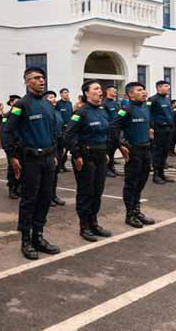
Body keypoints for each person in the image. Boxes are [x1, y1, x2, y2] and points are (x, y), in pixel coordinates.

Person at [3, 68, 61, 260]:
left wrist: (53, 153)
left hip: (47, 159)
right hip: (30, 160)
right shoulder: (21, 105)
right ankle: (26, 240)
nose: (41, 80)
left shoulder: (47, 105)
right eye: (36, 78)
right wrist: (13, 157)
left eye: (43, 78)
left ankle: (39, 236)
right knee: (29, 200)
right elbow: (7, 131)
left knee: (45, 198)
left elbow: (53, 131)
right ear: (27, 82)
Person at [63, 81, 114, 242]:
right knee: (86, 192)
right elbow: (68, 135)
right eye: (96, 89)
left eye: (101, 89)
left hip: (100, 155)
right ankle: (84, 226)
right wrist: (76, 155)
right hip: (85, 156)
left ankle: (94, 222)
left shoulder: (103, 111)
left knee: (97, 191)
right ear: (87, 93)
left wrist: (105, 152)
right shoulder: (81, 112)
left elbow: (105, 134)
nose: (100, 91)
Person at [111, 82, 156, 229]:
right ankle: (130, 214)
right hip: (134, 151)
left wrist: (149, 131)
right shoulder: (126, 110)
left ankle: (137, 211)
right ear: (130, 94)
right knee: (132, 184)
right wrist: (121, 145)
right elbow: (114, 127)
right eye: (139, 90)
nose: (144, 92)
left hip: (146, 149)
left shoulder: (145, 108)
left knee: (141, 182)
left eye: (144, 89)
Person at [148, 80, 175, 185]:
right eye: (166, 86)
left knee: (164, 152)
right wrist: (150, 127)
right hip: (159, 129)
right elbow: (148, 114)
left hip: (168, 129)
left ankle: (162, 173)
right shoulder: (153, 100)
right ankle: (156, 175)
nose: (168, 88)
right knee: (158, 152)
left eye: (168, 86)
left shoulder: (167, 100)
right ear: (159, 88)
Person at [44, 90, 66, 207]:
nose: (54, 100)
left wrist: (62, 146)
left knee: (55, 173)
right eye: (51, 97)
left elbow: (61, 129)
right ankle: (47, 198)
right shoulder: (44, 113)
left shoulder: (57, 112)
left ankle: (53, 195)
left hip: (57, 145)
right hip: (49, 146)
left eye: (54, 97)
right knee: (48, 174)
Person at [3, 95, 21, 199]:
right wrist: (8, 148)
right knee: (12, 168)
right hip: (11, 147)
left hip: (21, 146)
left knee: (22, 168)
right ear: (11, 103)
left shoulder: (21, 115)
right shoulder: (7, 116)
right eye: (16, 102)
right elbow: (4, 133)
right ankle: (12, 188)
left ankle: (19, 187)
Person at [103, 85, 121, 177]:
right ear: (108, 91)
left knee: (113, 150)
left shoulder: (116, 103)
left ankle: (112, 167)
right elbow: (104, 118)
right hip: (109, 131)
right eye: (113, 91)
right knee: (108, 151)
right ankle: (106, 169)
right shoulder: (104, 103)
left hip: (116, 130)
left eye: (115, 91)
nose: (115, 92)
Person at [55, 88, 73, 172]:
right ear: (61, 94)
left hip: (69, 129)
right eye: (65, 93)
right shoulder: (58, 104)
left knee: (67, 148)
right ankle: (59, 166)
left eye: (67, 92)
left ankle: (63, 165)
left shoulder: (69, 103)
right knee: (61, 148)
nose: (67, 94)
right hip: (61, 129)